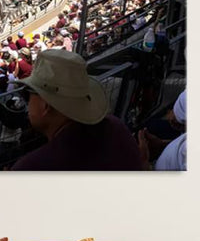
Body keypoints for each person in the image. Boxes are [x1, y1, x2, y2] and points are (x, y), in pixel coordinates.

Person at [11, 50, 144, 171]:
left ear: (46, 106)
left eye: (27, 94)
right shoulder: (116, 127)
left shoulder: (31, 168)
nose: (27, 102)